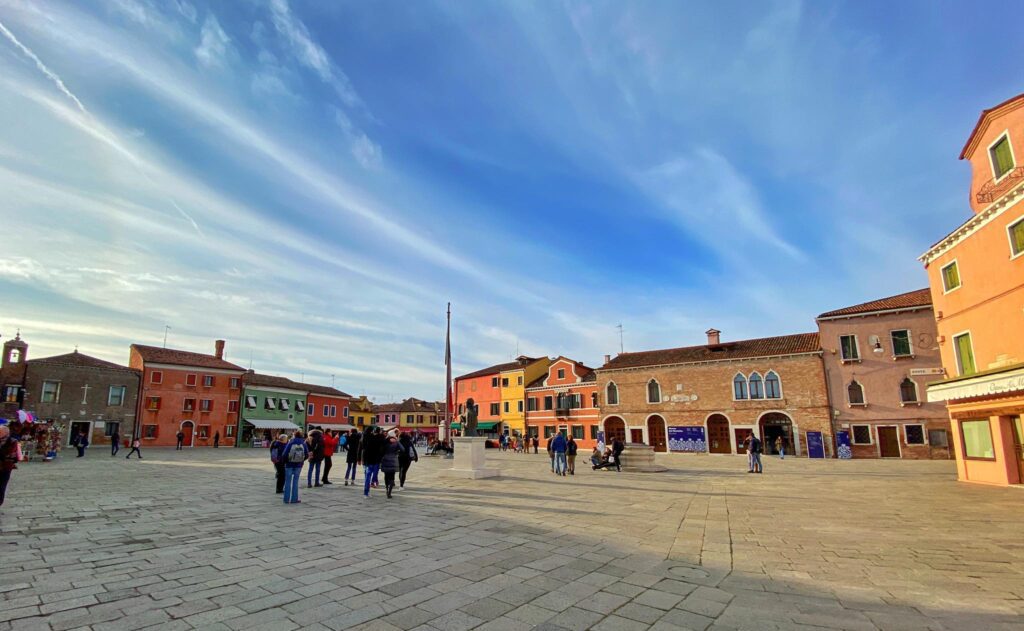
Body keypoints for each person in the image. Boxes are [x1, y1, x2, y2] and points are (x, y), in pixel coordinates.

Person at [281, 431, 308, 504]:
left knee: (288, 482)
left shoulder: (291, 442)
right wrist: (301, 461)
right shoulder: (303, 443)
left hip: (289, 465)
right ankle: (294, 499)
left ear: (294, 435)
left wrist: (286, 461)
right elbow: (307, 454)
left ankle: (286, 499)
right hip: (298, 465)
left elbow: (284, 454)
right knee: (295, 482)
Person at [1, 425, 22, 508]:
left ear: (5, 433)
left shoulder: (12, 441)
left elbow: (9, 453)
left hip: (6, 467)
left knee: (2, 486)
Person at [360, 427, 384, 498]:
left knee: (368, 476)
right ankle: (370, 487)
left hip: (368, 459)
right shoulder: (377, 438)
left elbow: (362, 449)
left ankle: (366, 492)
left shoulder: (364, 438)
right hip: (375, 459)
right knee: (373, 474)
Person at [380, 433, 402, 498]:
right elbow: (403, 449)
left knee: (386, 476)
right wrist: (397, 444)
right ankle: (389, 492)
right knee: (392, 476)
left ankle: (387, 489)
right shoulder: (396, 443)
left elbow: (381, 451)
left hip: (385, 460)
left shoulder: (385, 443)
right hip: (393, 461)